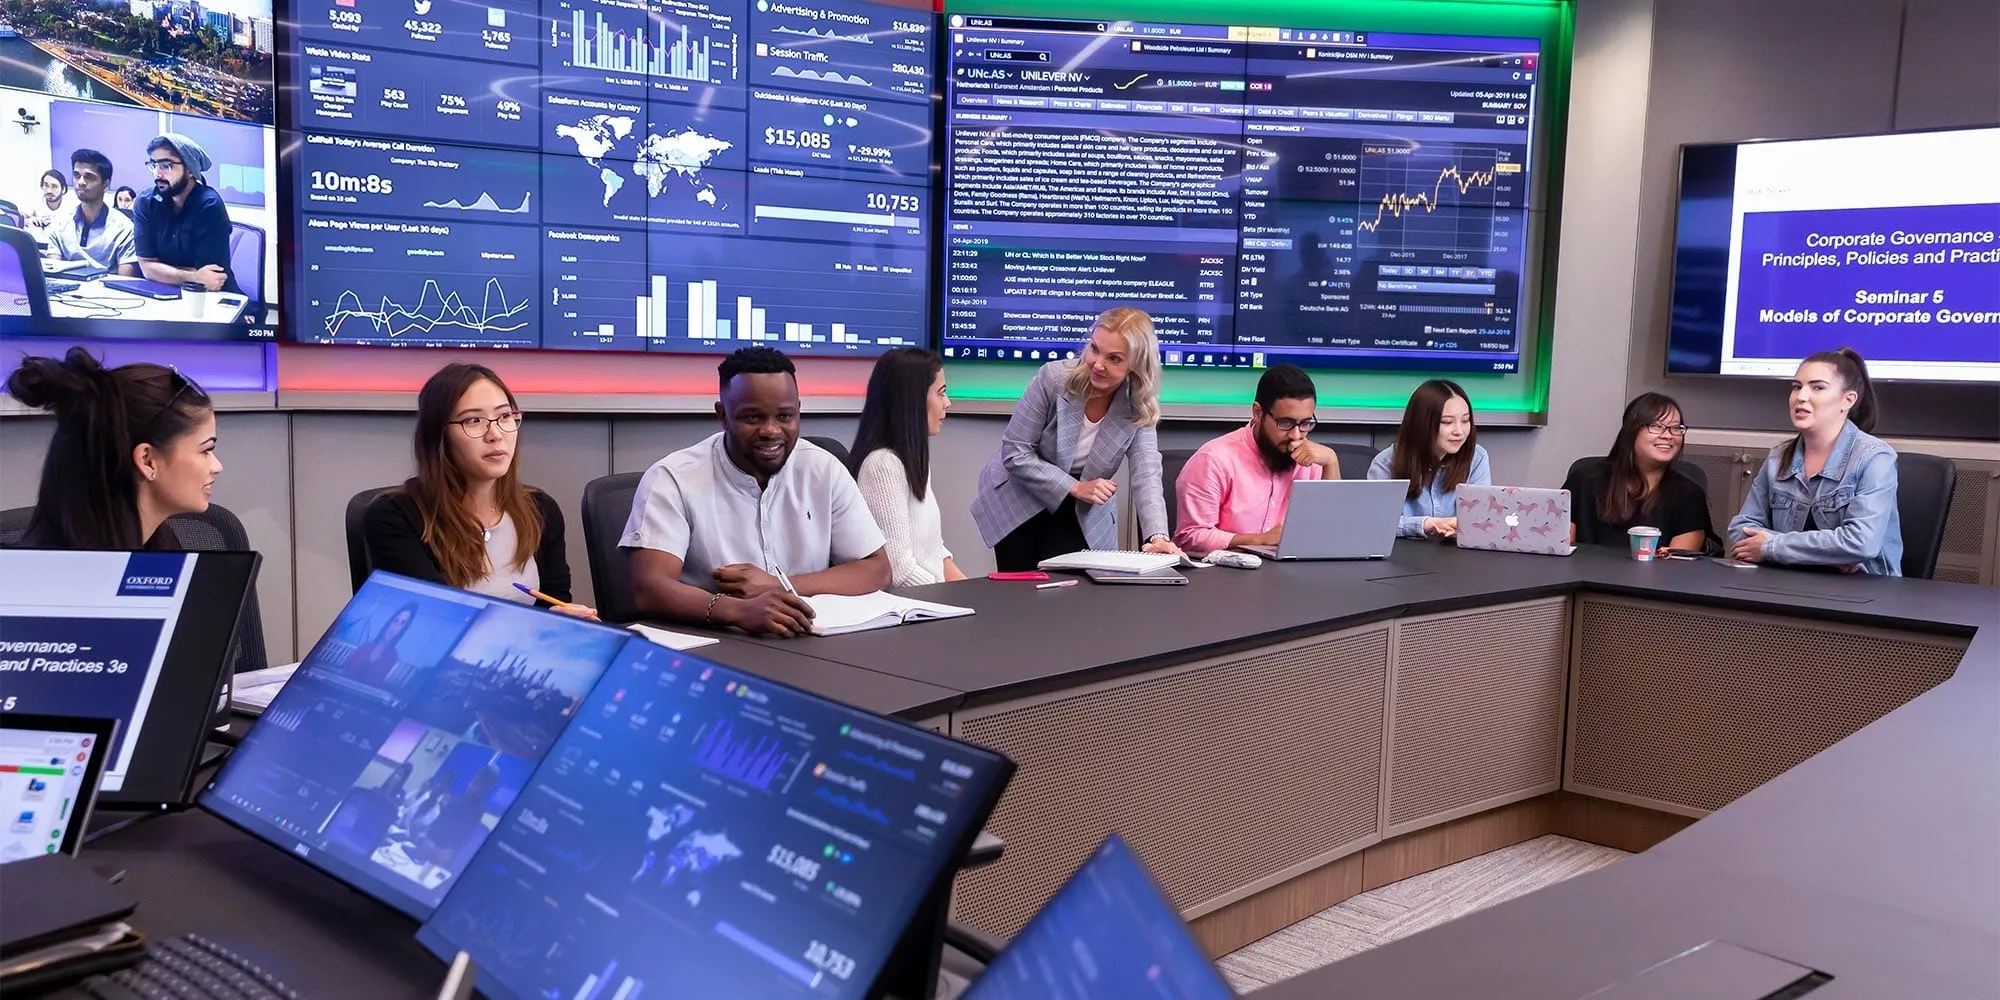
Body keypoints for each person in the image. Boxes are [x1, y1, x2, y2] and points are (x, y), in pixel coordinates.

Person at [622, 347, 889, 637]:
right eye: (752, 418)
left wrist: (779, 585)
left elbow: (877, 569)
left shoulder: (824, 469)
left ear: (798, 410)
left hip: (806, 640)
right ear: (723, 415)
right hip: (716, 642)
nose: (771, 430)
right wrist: (738, 610)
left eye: (785, 416)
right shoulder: (673, 478)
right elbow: (650, 588)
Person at [363, 363, 594, 617]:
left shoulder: (540, 509)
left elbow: (555, 603)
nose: (495, 434)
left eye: (504, 416)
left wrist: (565, 621)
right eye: (473, 420)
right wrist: (539, 626)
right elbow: (435, 619)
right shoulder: (394, 516)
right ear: (439, 435)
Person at [971, 306, 1182, 570]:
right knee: (1021, 590)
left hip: (1083, 510)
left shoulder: (1139, 403)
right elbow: (1016, 452)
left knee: (1076, 590)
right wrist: (1076, 487)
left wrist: (1158, 536)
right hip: (1023, 497)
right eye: (1094, 349)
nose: (1098, 364)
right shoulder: (1053, 378)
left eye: (1114, 358)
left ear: (1136, 365)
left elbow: (1146, 472)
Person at [4, 348, 220, 550]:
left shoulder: (162, 547)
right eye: (205, 450)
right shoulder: (50, 575)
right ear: (147, 460)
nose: (217, 466)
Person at [1727, 348, 1903, 575]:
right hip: (1790, 583)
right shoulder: (1778, 457)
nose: (1801, 396)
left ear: (1848, 400)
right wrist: (1826, 558)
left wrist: (1771, 546)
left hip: (1864, 588)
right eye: (1796, 387)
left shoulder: (1875, 457)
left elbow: (1860, 543)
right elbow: (1740, 530)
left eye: (1817, 387)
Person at [1173, 364, 1342, 557]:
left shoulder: (1312, 460)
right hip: (1227, 572)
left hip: (1293, 571)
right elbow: (1189, 537)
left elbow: (1332, 534)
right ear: (1257, 412)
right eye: (1285, 423)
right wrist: (1259, 540)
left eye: (1305, 424)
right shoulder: (1214, 460)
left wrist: (1331, 462)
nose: (1296, 435)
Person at [849, 347, 966, 586]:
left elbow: (934, 550)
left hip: (932, 597)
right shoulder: (882, 466)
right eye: (941, 393)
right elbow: (898, 570)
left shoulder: (911, 459)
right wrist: (948, 600)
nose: (948, 403)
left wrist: (970, 592)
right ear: (912, 399)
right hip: (914, 603)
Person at [1565, 393, 1714, 552]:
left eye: (1676, 428)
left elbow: (1677, 562)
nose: (1668, 435)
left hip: (1656, 569)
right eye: (1656, 426)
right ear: (1631, 431)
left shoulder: (1689, 495)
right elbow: (1559, 548)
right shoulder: (1584, 480)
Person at [1368, 379, 1490, 539]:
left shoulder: (1477, 458)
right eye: (1447, 422)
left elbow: (1481, 517)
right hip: (1403, 551)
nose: (1459, 431)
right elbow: (1376, 522)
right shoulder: (1386, 463)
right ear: (1422, 424)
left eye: (1465, 420)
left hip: (1455, 551)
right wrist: (1426, 524)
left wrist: (1466, 526)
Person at [134, 133, 238, 294]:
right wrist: (194, 276)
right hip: (161, 291)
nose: (157, 173)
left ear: (190, 169)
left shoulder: (209, 205)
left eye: (166, 165)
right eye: (154, 165)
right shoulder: (146, 202)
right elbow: (147, 268)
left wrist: (162, 270)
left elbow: (211, 278)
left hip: (212, 295)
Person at [43, 149, 136, 275]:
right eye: (77, 175)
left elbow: (125, 281)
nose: (80, 182)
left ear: (105, 184)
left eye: (89, 177)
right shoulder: (60, 222)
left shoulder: (124, 229)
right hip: (67, 286)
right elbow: (54, 273)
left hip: (107, 287)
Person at [347, 601, 417, 688]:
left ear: (404, 629)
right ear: (389, 622)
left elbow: (373, 683)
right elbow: (347, 672)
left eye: (402, 623)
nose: (395, 627)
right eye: (396, 621)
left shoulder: (392, 656)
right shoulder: (365, 647)